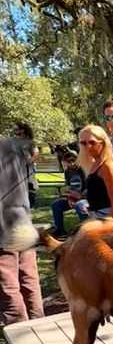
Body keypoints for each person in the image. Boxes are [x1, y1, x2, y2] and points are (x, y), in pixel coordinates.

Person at [0, 134, 44, 327]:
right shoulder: (14, 145)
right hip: (23, 218)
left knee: (7, 280)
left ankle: (18, 329)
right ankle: (38, 322)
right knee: (28, 276)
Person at [77, 125, 113, 221]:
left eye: (92, 142)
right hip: (98, 215)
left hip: (111, 216)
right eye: (83, 143)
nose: (88, 146)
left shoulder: (107, 166)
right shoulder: (95, 163)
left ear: (103, 143)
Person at [50, 150, 89, 237]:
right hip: (74, 198)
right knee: (56, 205)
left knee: (80, 205)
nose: (69, 165)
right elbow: (70, 188)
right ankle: (60, 230)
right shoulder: (67, 172)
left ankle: (86, 232)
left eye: (72, 162)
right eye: (67, 163)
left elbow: (88, 188)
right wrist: (70, 199)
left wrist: (79, 197)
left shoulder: (83, 170)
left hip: (85, 198)